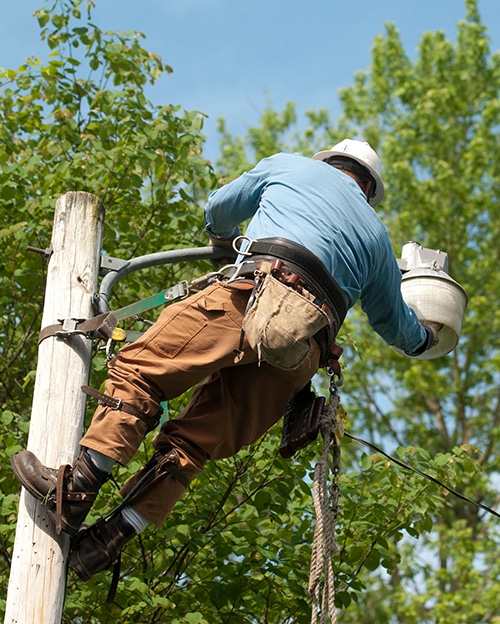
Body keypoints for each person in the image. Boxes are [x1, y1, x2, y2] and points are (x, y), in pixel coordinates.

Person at [10, 139, 439, 582]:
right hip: (301, 351)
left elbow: (220, 208)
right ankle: (105, 543)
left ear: (328, 162)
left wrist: (220, 239)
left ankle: (75, 489)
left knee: (142, 371)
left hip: (253, 295)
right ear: (369, 189)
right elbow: (395, 324)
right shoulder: (376, 238)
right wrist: (426, 340)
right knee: (193, 444)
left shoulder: (288, 167)